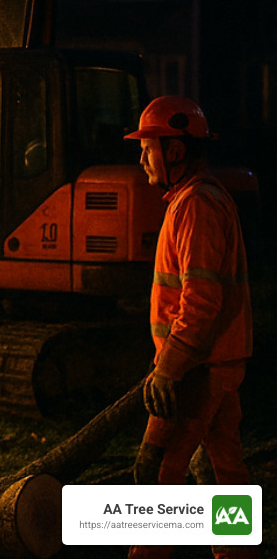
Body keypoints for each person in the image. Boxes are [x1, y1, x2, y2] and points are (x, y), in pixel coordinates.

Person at [123, 96, 258, 559]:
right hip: (215, 360)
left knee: (157, 476)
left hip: (196, 367)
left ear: (175, 151)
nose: (141, 158)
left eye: (148, 148)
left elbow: (199, 303)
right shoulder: (198, 198)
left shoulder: (195, 206)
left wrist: (168, 369)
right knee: (226, 471)